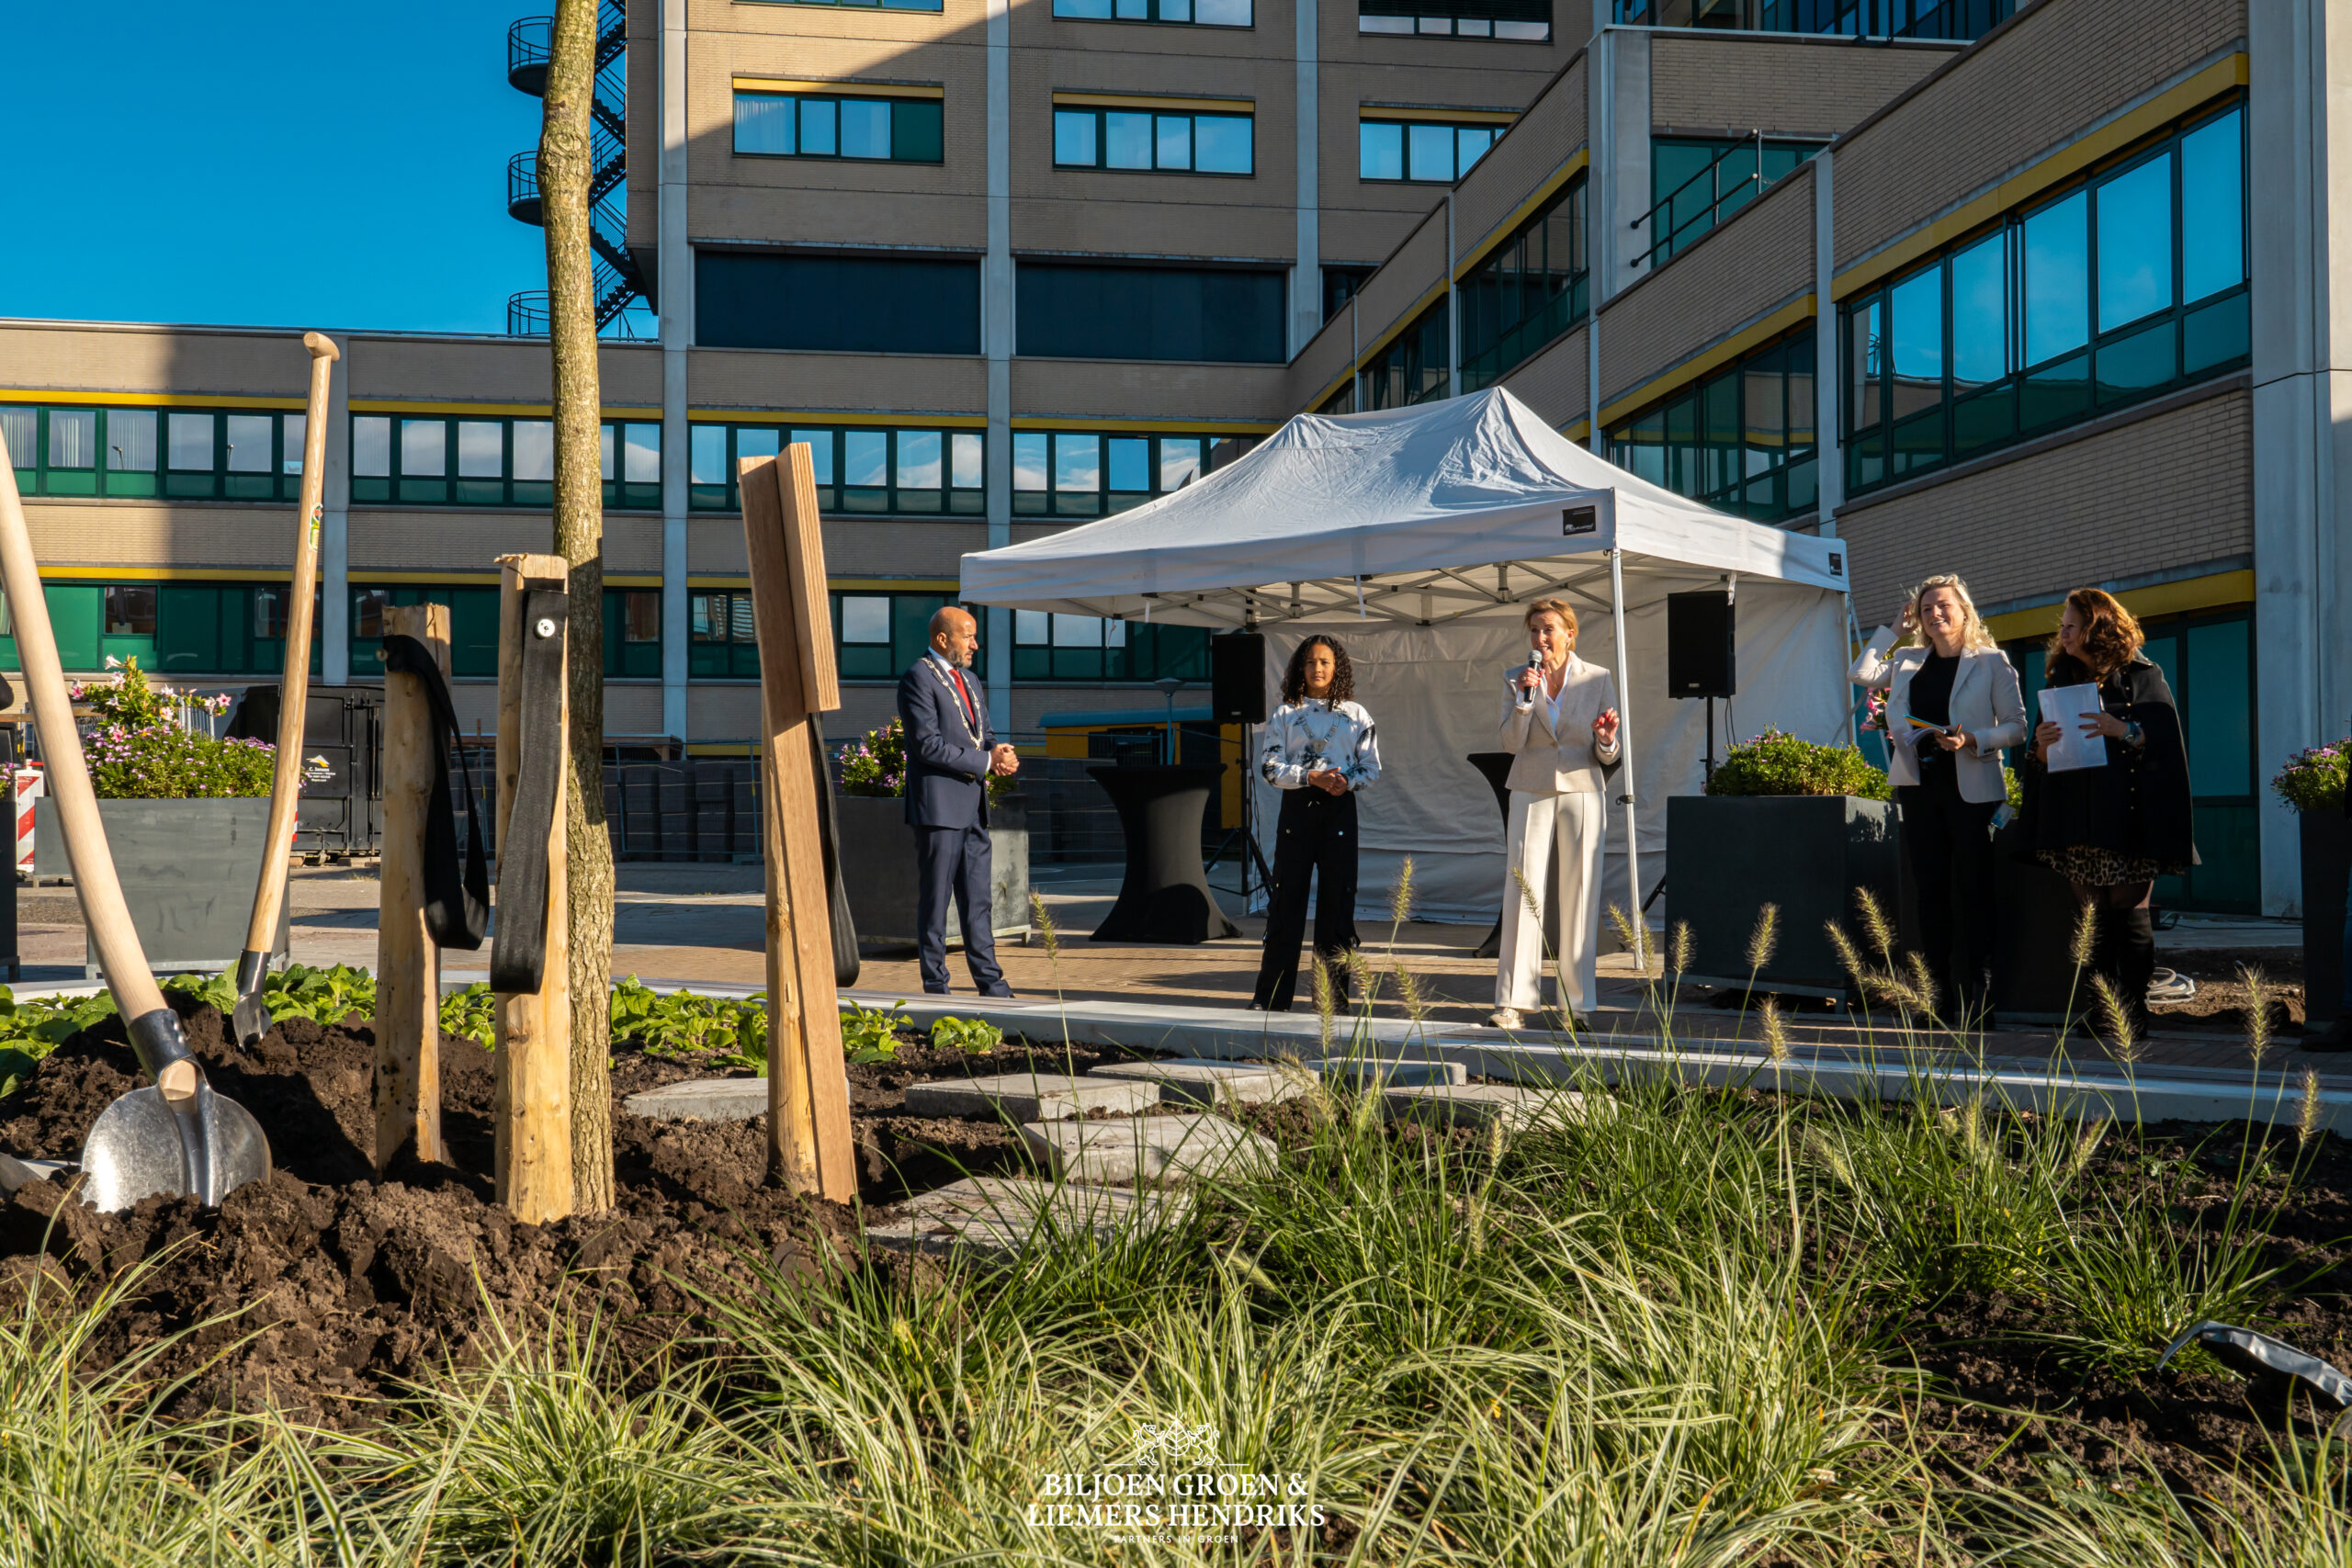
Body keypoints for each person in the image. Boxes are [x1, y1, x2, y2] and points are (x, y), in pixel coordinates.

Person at [2016, 588, 2195, 1039]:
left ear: (2096, 628)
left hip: (2130, 816)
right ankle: (2100, 1013)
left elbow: (2166, 747)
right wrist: (2040, 745)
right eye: (2063, 626)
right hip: (2076, 817)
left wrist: (2123, 729)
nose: (2064, 634)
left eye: (2071, 625)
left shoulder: (2142, 675)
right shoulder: (2061, 679)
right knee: (2091, 916)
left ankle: (2134, 1015)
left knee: (2129, 910)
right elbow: (2034, 760)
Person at [1849, 573, 2027, 1022]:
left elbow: (2016, 727)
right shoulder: (1908, 658)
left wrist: (1972, 740)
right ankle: (1936, 998)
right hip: (1919, 788)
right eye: (1927, 609)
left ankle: (1978, 998)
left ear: (1964, 610)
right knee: (1929, 895)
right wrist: (1893, 627)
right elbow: (1861, 672)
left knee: (1974, 892)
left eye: (1943, 606)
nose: (1935, 614)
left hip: (1972, 792)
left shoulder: (1991, 662)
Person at [1489, 599, 1619, 1032]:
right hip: (1530, 783)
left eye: (1547, 630)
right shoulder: (1516, 678)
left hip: (1584, 788)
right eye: (1533, 631)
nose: (1540, 639)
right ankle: (1513, 1001)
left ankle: (1576, 1006)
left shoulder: (1597, 677)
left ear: (1569, 633)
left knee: (1580, 891)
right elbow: (1510, 743)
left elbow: (1610, 751)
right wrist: (1525, 701)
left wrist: (1605, 740)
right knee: (1522, 888)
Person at [1250, 635, 1380, 1011]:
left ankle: (1333, 1002)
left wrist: (1345, 781)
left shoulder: (1356, 714)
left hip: (1339, 811)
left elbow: (1371, 767)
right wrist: (1310, 777)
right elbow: (1270, 767)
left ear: (1337, 666)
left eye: (1324, 662)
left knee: (1337, 905)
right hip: (1298, 810)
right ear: (1299, 669)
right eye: (1310, 662)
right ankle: (1271, 997)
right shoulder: (1285, 714)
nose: (1317, 669)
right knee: (1286, 903)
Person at [897, 605, 1021, 998]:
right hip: (938, 809)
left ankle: (991, 982)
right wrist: (985, 761)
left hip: (973, 807)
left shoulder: (970, 680)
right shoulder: (918, 677)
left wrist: (998, 752)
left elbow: (981, 733)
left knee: (978, 901)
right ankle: (936, 984)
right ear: (942, 639)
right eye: (968, 636)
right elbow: (927, 745)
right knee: (936, 901)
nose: (975, 644)